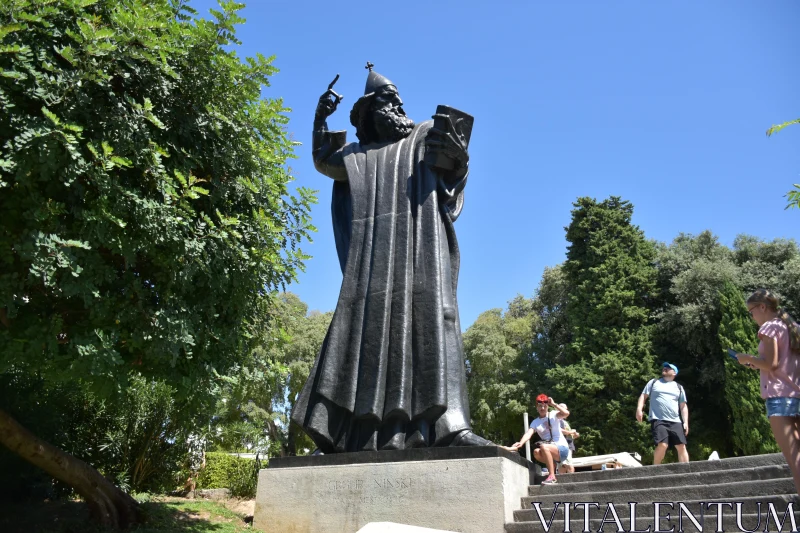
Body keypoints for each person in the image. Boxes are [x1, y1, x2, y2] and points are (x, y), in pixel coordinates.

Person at [291, 64, 491, 452]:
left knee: (435, 323)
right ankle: (349, 434)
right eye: (386, 100)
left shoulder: (422, 135)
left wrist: (458, 158)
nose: (396, 104)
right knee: (361, 335)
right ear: (368, 111)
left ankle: (450, 426)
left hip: (421, 251)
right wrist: (319, 120)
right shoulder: (358, 156)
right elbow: (324, 162)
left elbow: (453, 170)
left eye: (397, 99)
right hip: (372, 266)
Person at [735, 289, 800, 495]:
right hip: (796, 393)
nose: (752, 316)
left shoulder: (769, 327)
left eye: (751, 311)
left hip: (780, 398)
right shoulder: (792, 327)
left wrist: (747, 358)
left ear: (762, 307)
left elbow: (771, 364)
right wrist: (759, 364)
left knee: (795, 459)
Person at [636, 362, 689, 464]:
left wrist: (685, 422)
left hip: (675, 421)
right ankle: (656, 469)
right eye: (664, 367)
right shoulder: (654, 382)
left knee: (681, 446)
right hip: (658, 419)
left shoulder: (679, 387)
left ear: (674, 373)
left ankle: (687, 471)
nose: (665, 368)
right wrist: (639, 409)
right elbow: (643, 396)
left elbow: (683, 406)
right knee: (662, 445)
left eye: (668, 368)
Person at [511, 394, 570, 485]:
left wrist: (554, 404)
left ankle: (552, 477)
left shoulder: (554, 414)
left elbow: (566, 413)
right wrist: (520, 443)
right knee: (536, 452)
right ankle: (552, 466)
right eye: (540, 406)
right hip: (550, 449)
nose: (542, 408)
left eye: (545, 406)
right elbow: (528, 433)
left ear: (547, 407)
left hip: (561, 448)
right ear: (537, 407)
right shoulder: (535, 422)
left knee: (543, 447)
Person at [558, 403, 579, 474]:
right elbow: (560, 431)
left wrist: (575, 434)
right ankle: (571, 483)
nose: (566, 411)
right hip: (563, 446)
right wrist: (570, 432)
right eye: (564, 409)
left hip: (568, 446)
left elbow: (570, 436)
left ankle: (563, 484)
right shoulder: (558, 420)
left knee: (563, 465)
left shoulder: (565, 422)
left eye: (566, 409)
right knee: (567, 466)